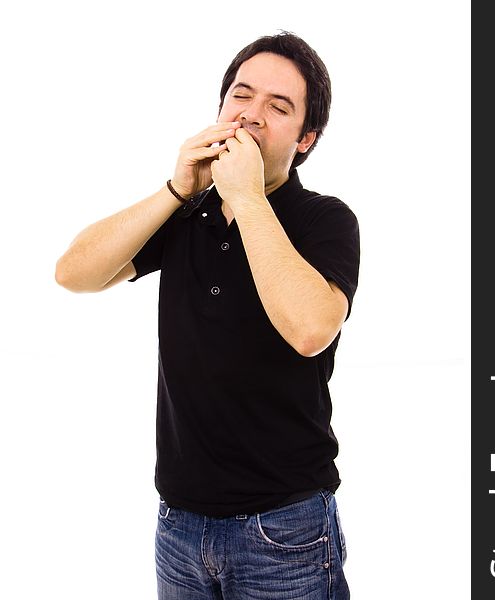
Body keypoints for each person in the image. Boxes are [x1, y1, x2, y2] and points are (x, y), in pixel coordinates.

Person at [56, 31, 359, 600]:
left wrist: (246, 198)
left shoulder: (326, 219)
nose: (251, 117)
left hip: (284, 530)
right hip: (178, 524)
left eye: (279, 107)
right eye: (241, 97)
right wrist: (176, 189)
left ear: (305, 139)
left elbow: (312, 329)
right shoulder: (183, 212)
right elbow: (74, 273)